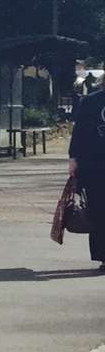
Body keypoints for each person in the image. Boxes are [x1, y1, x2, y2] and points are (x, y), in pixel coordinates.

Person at [68, 83, 105, 265]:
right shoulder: (91, 101)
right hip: (95, 164)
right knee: (98, 209)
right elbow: (80, 132)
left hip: (94, 164)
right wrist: (73, 157)